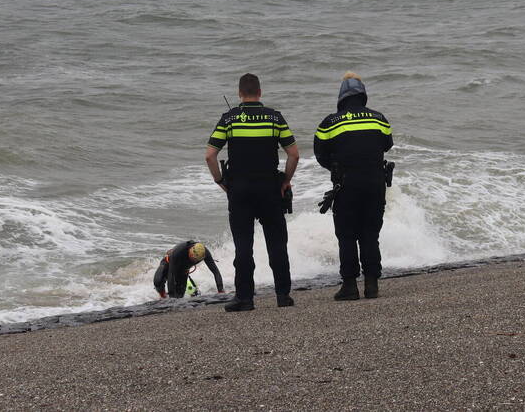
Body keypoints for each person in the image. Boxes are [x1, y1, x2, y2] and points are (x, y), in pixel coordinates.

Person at [205, 73, 299, 312]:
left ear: (239, 93)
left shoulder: (230, 119)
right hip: (270, 188)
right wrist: (286, 180)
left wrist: (220, 180)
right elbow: (293, 154)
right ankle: (282, 295)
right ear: (260, 92)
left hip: (240, 190)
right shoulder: (274, 118)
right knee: (277, 243)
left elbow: (210, 155)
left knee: (243, 245)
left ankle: (245, 298)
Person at [314, 71, 394, 300]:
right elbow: (387, 145)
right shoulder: (379, 119)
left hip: (345, 186)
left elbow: (320, 154)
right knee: (370, 234)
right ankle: (372, 285)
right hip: (375, 185)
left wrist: (336, 168)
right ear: (363, 95)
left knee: (347, 235)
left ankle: (349, 286)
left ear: (341, 97)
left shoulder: (329, 122)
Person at [153, 240, 224, 298]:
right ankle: (163, 297)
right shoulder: (179, 251)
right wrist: (171, 299)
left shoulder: (205, 253)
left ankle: (190, 291)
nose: (193, 260)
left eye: (195, 260)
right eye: (192, 257)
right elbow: (171, 276)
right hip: (169, 264)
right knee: (158, 281)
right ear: (190, 250)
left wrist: (221, 291)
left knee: (179, 295)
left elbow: (215, 272)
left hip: (183, 271)